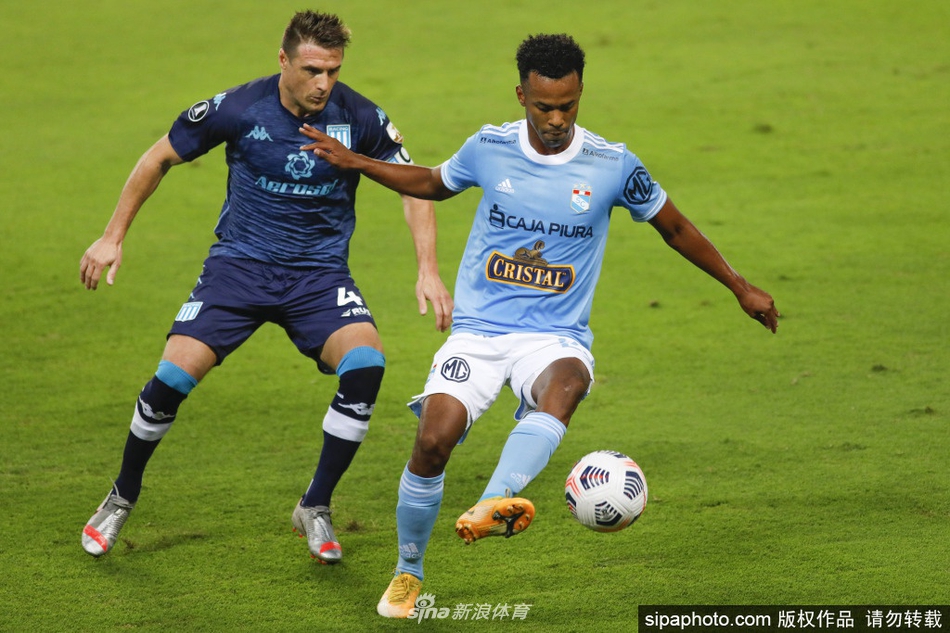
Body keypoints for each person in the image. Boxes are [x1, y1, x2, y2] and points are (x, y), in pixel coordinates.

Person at [299, 33, 780, 615]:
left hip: (555, 337)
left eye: (568, 106)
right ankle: (409, 571)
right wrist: (355, 161)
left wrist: (739, 285)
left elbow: (674, 227)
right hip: (479, 332)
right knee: (432, 442)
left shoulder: (612, 164)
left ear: (580, 95)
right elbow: (431, 183)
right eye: (544, 106)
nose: (556, 119)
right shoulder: (489, 147)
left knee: (568, 383)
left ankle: (495, 500)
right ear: (522, 95)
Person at [78, 10, 452, 565]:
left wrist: (428, 269)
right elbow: (159, 156)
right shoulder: (238, 108)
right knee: (172, 379)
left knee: (366, 366)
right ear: (283, 60)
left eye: (333, 70)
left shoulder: (360, 116)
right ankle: (121, 495)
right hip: (239, 269)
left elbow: (414, 186)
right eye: (312, 70)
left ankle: (314, 505)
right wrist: (112, 236)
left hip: (319, 277)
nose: (323, 83)